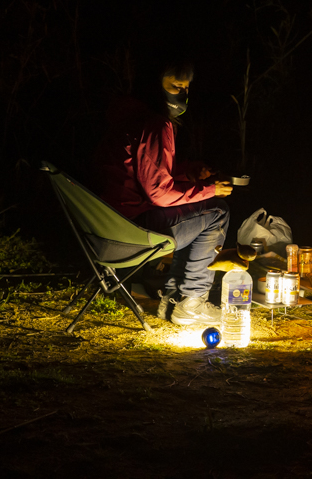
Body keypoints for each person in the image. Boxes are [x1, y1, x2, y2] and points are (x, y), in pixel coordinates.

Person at [95, 59, 233, 325]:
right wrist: (209, 189)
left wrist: (186, 174)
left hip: (109, 224)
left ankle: (172, 301)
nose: (183, 94)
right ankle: (191, 301)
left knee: (192, 211)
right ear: (155, 85)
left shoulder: (128, 117)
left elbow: (140, 176)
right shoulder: (156, 124)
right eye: (176, 86)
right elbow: (159, 194)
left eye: (186, 88)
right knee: (217, 210)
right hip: (131, 230)